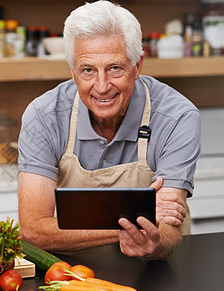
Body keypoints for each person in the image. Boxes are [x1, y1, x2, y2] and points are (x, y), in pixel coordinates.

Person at [17, 0, 201, 259]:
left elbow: (168, 230)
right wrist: (136, 220)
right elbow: (34, 231)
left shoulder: (177, 117)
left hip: (155, 270)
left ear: (137, 66)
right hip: (73, 275)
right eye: (88, 71)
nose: (101, 86)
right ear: (73, 73)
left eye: (115, 68)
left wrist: (154, 232)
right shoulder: (44, 115)